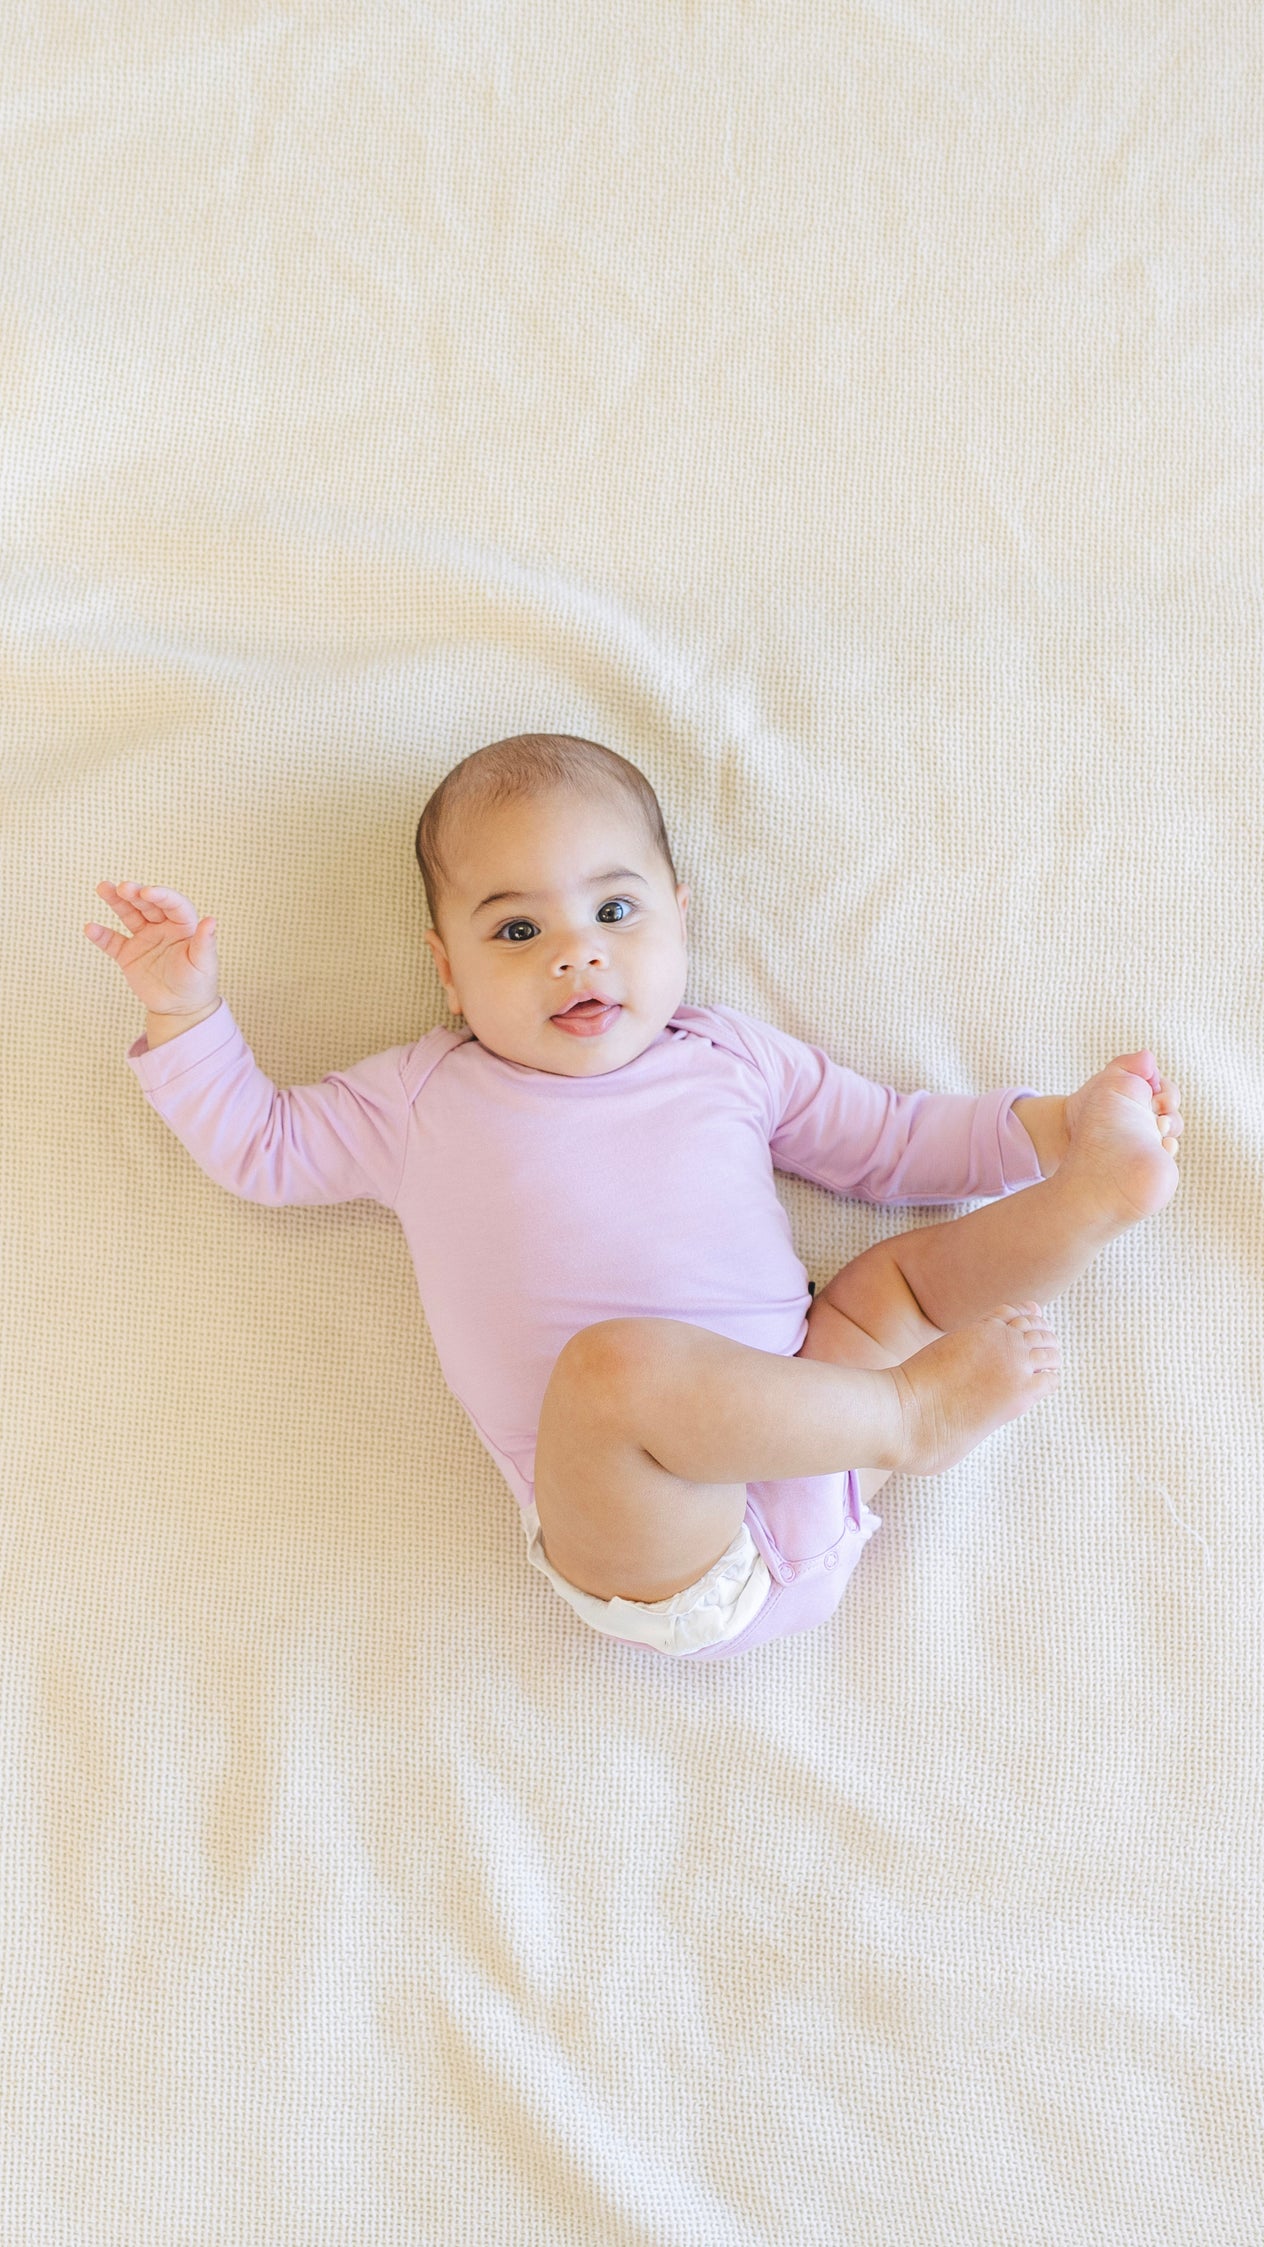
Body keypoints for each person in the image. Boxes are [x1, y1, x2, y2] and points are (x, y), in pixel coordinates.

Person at [84, 733, 1184, 1663]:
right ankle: (911, 1418)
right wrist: (189, 1018)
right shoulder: (419, 1099)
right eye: (518, 931)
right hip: (664, 1541)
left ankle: (1092, 1193)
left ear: (678, 918)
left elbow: (895, 1144)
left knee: (891, 1279)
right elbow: (265, 1145)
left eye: (614, 910)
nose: (575, 956)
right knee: (613, 1374)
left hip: (810, 1410)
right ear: (448, 971)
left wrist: (1045, 1124)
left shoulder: (729, 1058)